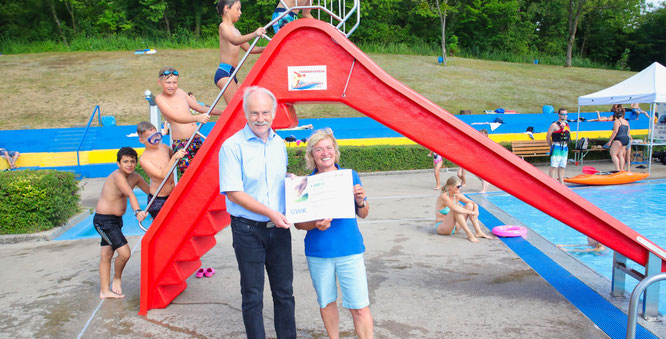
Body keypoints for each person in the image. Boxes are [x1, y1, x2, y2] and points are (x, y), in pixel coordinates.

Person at [218, 86, 295, 339]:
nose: (260, 118)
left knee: (284, 293)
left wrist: (291, 181)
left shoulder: (279, 144)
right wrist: (271, 213)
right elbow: (233, 192)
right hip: (247, 230)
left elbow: (273, 180)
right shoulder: (232, 147)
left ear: (273, 113)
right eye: (254, 113)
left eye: (265, 112)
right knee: (252, 294)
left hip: (279, 230)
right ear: (245, 113)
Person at [294, 128, 373, 339]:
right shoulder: (303, 184)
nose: (325, 152)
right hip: (319, 252)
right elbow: (299, 225)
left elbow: (363, 213)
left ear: (335, 152)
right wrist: (315, 224)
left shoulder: (350, 176)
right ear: (312, 155)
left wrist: (360, 201)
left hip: (350, 249)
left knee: (360, 306)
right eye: (319, 149)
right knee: (326, 303)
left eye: (329, 147)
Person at [93, 147, 149, 299]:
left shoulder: (135, 177)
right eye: (125, 162)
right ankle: (117, 279)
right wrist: (138, 211)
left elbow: (150, 191)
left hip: (116, 221)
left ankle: (104, 291)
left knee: (107, 254)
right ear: (118, 163)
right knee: (124, 253)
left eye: (132, 161)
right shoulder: (117, 176)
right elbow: (129, 194)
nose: (129, 164)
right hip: (103, 221)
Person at [155, 66, 223, 176]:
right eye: (168, 83)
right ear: (159, 82)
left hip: (196, 138)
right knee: (190, 175)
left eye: (174, 82)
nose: (172, 86)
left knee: (206, 171)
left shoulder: (181, 92)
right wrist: (197, 118)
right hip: (182, 143)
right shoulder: (160, 99)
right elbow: (176, 117)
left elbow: (199, 108)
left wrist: (223, 112)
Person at [216, 0, 266, 104]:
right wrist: (254, 34)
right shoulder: (223, 26)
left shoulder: (236, 31)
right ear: (227, 9)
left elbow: (250, 49)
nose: (240, 12)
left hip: (232, 74)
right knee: (235, 109)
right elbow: (234, 41)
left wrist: (269, 47)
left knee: (247, 103)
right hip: (224, 73)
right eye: (238, 9)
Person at [136, 121, 186, 218]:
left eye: (157, 136)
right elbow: (163, 175)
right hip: (158, 199)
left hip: (173, 194)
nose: (156, 140)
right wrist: (174, 157)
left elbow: (176, 162)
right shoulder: (144, 159)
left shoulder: (164, 147)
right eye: (151, 138)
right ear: (142, 141)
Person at [434, 176, 493, 243]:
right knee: (456, 209)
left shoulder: (457, 195)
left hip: (455, 227)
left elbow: (473, 203)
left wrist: (476, 211)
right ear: (450, 187)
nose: (460, 188)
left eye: (461, 186)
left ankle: (478, 232)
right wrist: (472, 213)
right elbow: (455, 208)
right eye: (458, 186)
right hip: (443, 227)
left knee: (470, 205)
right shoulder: (443, 196)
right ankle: (469, 234)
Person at [546, 108, 570, 184]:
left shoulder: (566, 125)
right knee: (554, 165)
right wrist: (551, 146)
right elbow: (548, 136)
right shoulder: (554, 125)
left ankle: (562, 184)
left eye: (566, 114)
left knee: (562, 166)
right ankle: (551, 183)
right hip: (556, 146)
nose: (565, 116)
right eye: (563, 114)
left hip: (564, 147)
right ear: (559, 115)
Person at [604, 108, 631, 172]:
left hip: (619, 138)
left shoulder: (617, 121)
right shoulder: (626, 121)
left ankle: (618, 169)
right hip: (626, 139)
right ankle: (622, 169)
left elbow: (615, 131)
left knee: (613, 154)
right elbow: (628, 131)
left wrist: (610, 141)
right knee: (621, 155)